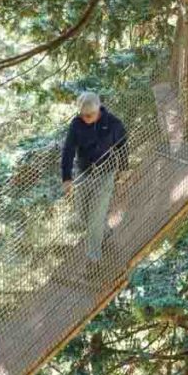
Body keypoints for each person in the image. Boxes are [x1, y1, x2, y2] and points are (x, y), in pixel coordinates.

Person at [61, 91, 128, 262]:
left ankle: (94, 258)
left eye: (89, 115)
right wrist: (66, 178)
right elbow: (68, 150)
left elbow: (122, 145)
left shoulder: (113, 123)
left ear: (98, 110)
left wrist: (124, 168)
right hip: (83, 172)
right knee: (83, 214)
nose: (85, 118)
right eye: (82, 115)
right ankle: (104, 231)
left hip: (105, 173)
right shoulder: (76, 125)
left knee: (95, 218)